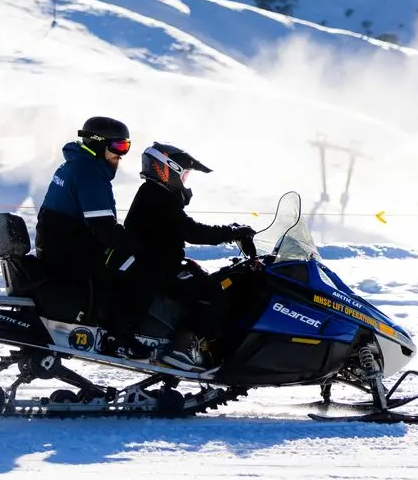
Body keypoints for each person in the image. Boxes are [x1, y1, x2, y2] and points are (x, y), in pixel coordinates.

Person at [121, 142, 257, 370]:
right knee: (213, 291)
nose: (184, 181)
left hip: (158, 263)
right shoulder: (156, 195)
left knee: (209, 280)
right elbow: (191, 230)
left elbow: (182, 227)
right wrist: (230, 233)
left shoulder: (156, 193)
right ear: (167, 170)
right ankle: (183, 348)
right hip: (154, 267)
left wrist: (231, 230)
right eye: (183, 175)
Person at [35, 116, 147, 342]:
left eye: (125, 146)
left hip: (60, 247)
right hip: (70, 254)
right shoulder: (89, 172)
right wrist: (140, 246)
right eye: (117, 146)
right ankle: (121, 335)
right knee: (140, 267)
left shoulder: (75, 165)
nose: (121, 154)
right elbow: (103, 228)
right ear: (97, 143)